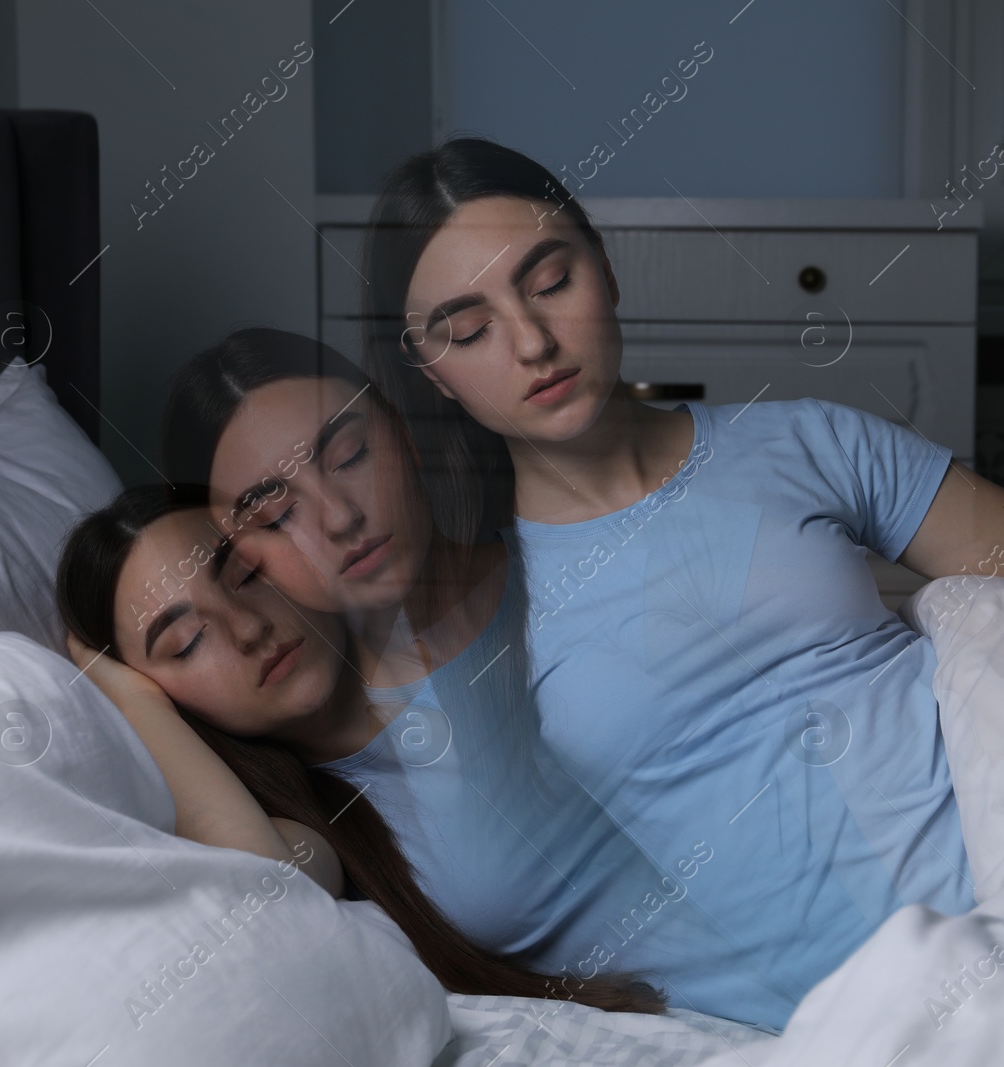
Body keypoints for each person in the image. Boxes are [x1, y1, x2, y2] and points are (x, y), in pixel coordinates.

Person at [351, 137, 1004, 1029]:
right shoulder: (474, 619)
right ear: (432, 371)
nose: (531, 342)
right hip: (852, 1018)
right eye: (466, 327)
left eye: (549, 278)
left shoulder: (808, 441)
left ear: (603, 266)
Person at [160, 333, 795, 1026]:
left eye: (352, 455)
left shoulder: (582, 560)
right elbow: (273, 899)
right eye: (277, 516)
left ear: (401, 432)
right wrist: (119, 688)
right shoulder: (323, 805)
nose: (341, 518)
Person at [55, 483, 666, 1014]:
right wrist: (132, 702)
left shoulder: (484, 624)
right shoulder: (312, 828)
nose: (248, 629)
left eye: (246, 575)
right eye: (187, 643)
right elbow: (267, 898)